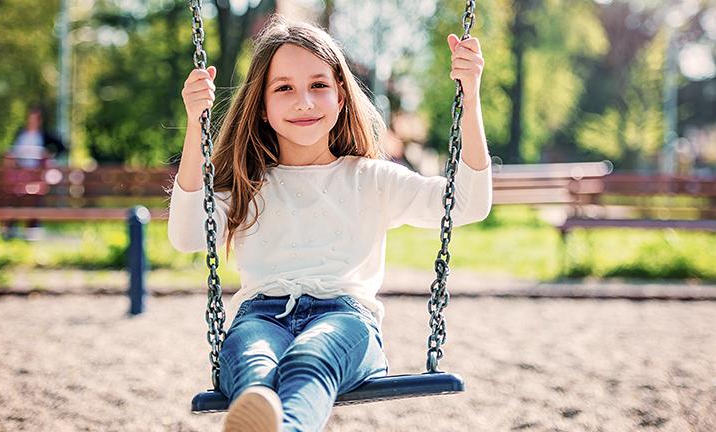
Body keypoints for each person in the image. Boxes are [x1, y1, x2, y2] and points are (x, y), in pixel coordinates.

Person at [168, 14, 492, 432]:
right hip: (260, 317)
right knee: (254, 366)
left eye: (318, 85)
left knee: (310, 357)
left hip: (346, 320)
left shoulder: (371, 179)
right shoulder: (249, 185)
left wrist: (472, 94)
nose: (304, 101)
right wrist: (196, 123)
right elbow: (187, 235)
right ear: (262, 107)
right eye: (284, 88)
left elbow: (467, 204)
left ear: (340, 96)